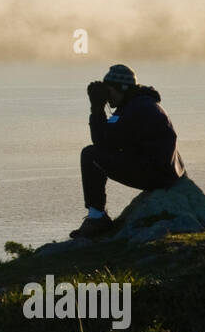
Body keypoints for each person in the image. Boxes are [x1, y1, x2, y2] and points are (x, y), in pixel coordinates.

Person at [71, 63, 185, 239]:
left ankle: (96, 218)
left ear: (121, 89)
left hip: (156, 174)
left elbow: (102, 142)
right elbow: (111, 139)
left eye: (108, 92)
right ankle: (97, 217)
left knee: (90, 155)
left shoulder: (136, 108)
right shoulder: (140, 103)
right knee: (94, 154)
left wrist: (97, 108)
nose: (107, 98)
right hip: (164, 171)